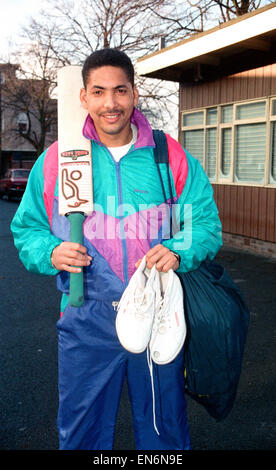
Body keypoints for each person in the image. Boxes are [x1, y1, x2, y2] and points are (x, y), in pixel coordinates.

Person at [11, 48, 222, 450]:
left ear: (135, 94)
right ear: (84, 97)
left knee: (164, 432)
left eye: (120, 90)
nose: (111, 103)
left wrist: (178, 250)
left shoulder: (168, 156)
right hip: (85, 316)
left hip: (158, 315)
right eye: (99, 91)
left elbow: (205, 224)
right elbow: (28, 229)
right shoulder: (58, 160)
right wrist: (50, 253)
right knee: (82, 433)